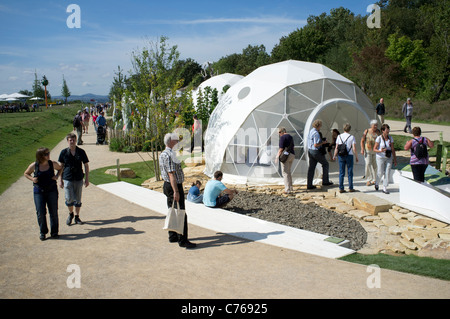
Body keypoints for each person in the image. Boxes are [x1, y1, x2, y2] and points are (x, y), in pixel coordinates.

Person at [159, 132, 196, 249]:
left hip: (167, 185)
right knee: (181, 213)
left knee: (172, 209)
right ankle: (182, 239)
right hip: (173, 186)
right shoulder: (170, 155)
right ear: (170, 142)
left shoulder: (163, 154)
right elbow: (171, 174)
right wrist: (176, 191)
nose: (178, 143)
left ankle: (173, 235)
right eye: (176, 141)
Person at [24, 147, 62, 241]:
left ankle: (54, 232)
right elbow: (26, 173)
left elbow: (61, 168)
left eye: (48, 153)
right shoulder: (35, 165)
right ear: (40, 156)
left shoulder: (52, 163)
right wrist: (32, 179)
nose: (48, 155)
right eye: (46, 154)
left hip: (52, 190)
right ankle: (43, 232)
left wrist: (57, 176)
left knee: (53, 211)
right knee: (40, 212)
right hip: (39, 192)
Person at [58, 133, 90, 225]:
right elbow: (61, 167)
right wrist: (60, 180)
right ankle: (70, 213)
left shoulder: (81, 152)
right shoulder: (63, 152)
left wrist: (87, 179)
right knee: (69, 199)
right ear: (67, 141)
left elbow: (86, 165)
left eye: (73, 140)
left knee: (78, 199)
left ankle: (77, 216)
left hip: (78, 178)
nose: (72, 142)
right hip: (67, 178)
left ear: (76, 141)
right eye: (70, 140)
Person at [307, 120, 333, 190]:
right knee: (325, 164)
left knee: (311, 168)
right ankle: (325, 181)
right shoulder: (316, 133)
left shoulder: (311, 131)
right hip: (315, 151)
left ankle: (309, 184)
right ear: (319, 126)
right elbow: (316, 144)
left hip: (310, 151)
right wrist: (323, 143)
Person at [333, 124, 358, 193]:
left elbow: (336, 147)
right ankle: (351, 187)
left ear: (343, 129)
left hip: (341, 155)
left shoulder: (339, 136)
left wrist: (334, 155)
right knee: (350, 172)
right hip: (349, 155)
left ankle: (341, 188)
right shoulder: (352, 137)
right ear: (349, 129)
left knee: (341, 172)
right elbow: (354, 148)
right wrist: (356, 156)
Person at [373, 124, 397, 194]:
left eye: (388, 130)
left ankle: (385, 187)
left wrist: (395, 159)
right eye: (387, 130)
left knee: (387, 171)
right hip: (380, 157)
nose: (388, 131)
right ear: (383, 131)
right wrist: (380, 150)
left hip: (389, 157)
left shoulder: (390, 138)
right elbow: (374, 149)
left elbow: (392, 149)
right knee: (380, 172)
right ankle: (377, 182)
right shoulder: (379, 138)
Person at [360, 120, 380, 186]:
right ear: (371, 125)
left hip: (375, 151)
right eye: (374, 125)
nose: (376, 126)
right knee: (368, 163)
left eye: (376, 125)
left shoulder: (378, 132)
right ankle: (368, 179)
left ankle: (374, 179)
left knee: (375, 165)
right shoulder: (366, 131)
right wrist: (362, 149)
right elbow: (362, 140)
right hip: (367, 150)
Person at [276, 127, 295, 194]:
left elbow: (281, 149)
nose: (279, 134)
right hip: (292, 155)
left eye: (279, 133)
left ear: (281, 132)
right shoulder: (290, 137)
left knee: (285, 172)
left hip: (286, 156)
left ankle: (287, 189)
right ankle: (290, 187)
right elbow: (293, 146)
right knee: (288, 171)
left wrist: (277, 157)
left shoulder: (283, 137)